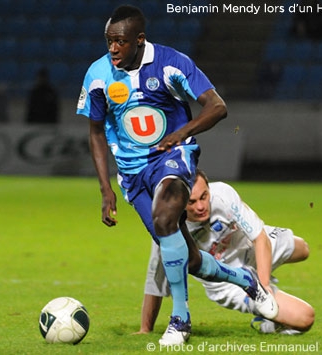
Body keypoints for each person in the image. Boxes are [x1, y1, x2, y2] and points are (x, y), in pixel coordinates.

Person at [76, 5, 276, 346]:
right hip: (132, 173)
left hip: (173, 157)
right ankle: (245, 280)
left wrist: (181, 135)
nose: (113, 49)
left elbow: (217, 107)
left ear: (139, 40)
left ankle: (180, 320)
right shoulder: (98, 75)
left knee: (166, 216)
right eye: (109, 41)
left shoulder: (172, 63)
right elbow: (96, 131)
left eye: (120, 42)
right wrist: (105, 189)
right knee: (189, 258)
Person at [138, 170, 315, 335]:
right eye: (191, 202)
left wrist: (264, 286)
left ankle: (265, 281)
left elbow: (259, 238)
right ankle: (270, 324)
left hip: (248, 247)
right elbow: (156, 283)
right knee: (305, 318)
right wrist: (146, 329)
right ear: (179, 202)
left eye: (204, 196)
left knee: (303, 249)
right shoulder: (169, 229)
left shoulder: (222, 193)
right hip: (226, 282)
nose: (200, 206)